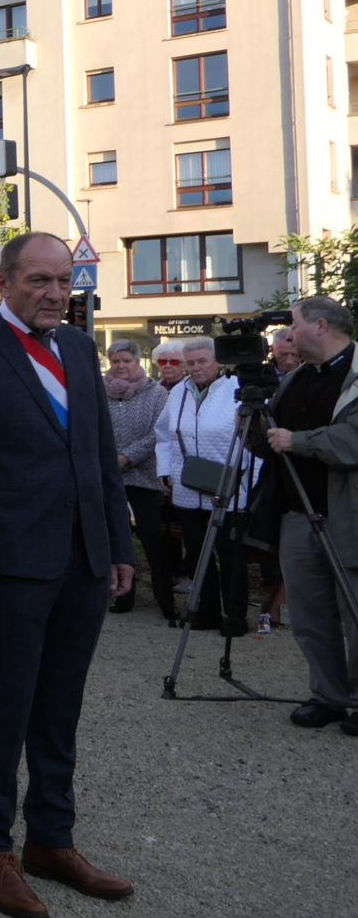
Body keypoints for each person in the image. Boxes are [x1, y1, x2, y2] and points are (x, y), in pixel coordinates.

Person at [0, 232, 135, 918]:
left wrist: (118, 544)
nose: (55, 293)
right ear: (4, 282)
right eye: (39, 280)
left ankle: (51, 839)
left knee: (60, 708)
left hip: (82, 560)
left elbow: (100, 454)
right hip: (12, 565)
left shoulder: (77, 346)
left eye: (63, 280)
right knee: (5, 707)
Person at [256, 296, 358, 732]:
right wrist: (253, 416)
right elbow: (266, 442)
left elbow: (351, 441)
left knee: (355, 610)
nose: (287, 334)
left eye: (293, 324)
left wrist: (298, 441)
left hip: (349, 513)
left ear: (320, 326)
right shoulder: (295, 379)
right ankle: (328, 695)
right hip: (298, 512)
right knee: (310, 613)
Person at [153, 336, 258, 634]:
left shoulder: (237, 389)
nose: (196, 367)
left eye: (202, 361)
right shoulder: (178, 392)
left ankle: (235, 616)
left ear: (218, 362)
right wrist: (165, 469)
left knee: (230, 554)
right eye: (190, 362)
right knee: (198, 554)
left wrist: (249, 480)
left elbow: (255, 440)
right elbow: (164, 434)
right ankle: (206, 611)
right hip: (188, 486)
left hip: (229, 487)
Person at [104, 340, 172, 619]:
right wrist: (109, 459)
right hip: (110, 478)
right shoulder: (100, 391)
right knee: (117, 540)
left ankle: (165, 600)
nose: (121, 366)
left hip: (143, 477)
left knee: (152, 540)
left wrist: (128, 457)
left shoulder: (156, 393)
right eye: (116, 361)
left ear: (137, 362)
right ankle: (123, 597)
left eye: (126, 361)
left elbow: (159, 432)